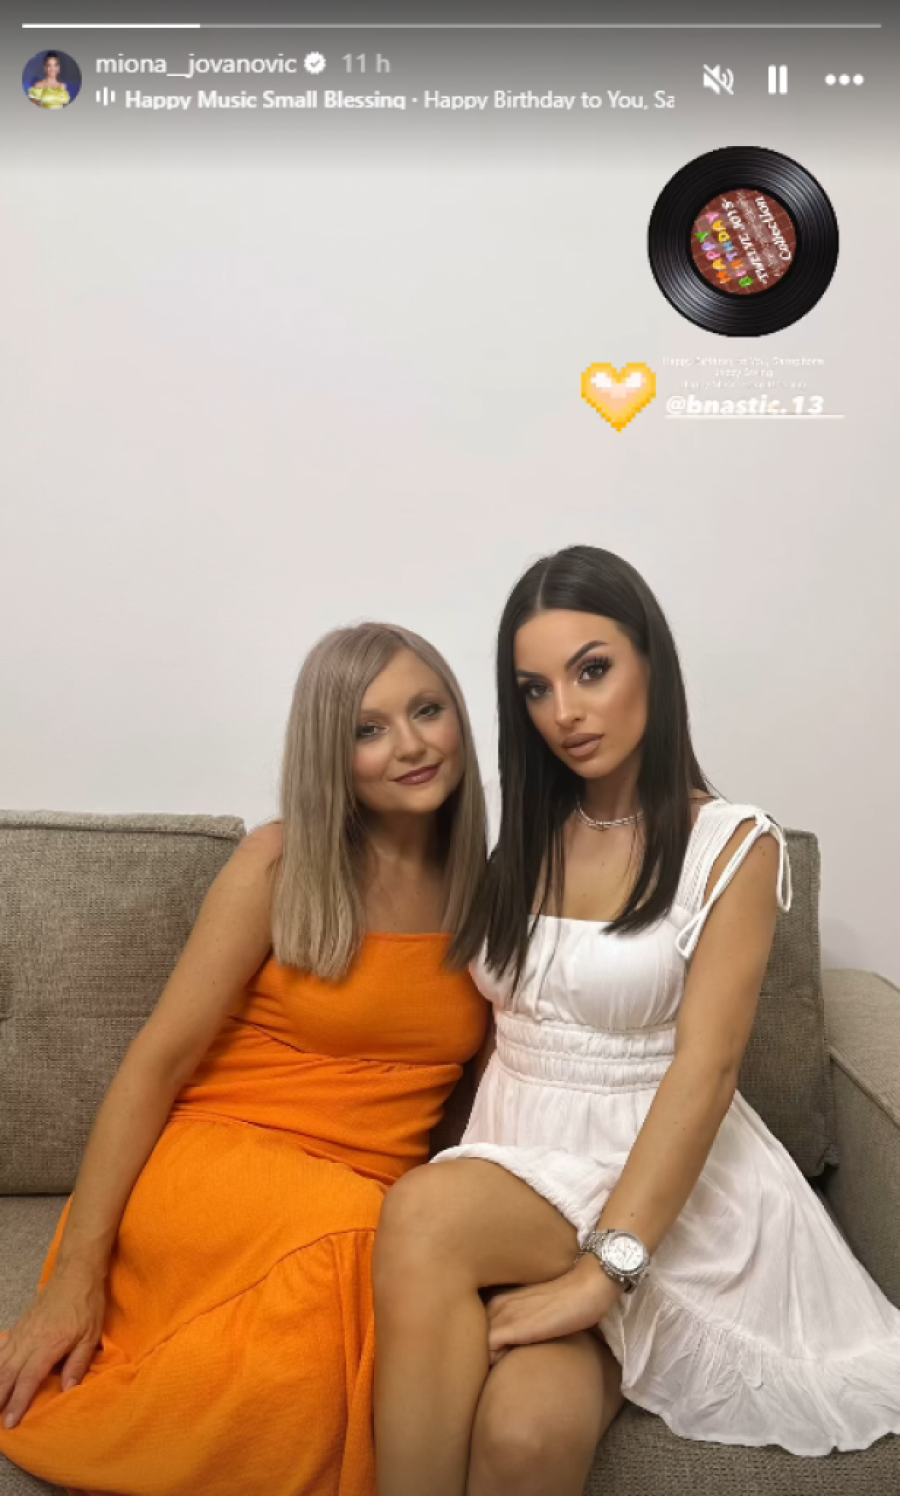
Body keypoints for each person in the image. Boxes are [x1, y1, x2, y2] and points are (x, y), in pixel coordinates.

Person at [373, 545, 900, 1496]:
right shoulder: (519, 835)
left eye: (592, 670)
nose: (565, 713)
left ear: (652, 660)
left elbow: (707, 1071)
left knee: (438, 1241)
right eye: (535, 689)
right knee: (525, 1426)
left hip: (663, 1199)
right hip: (520, 1181)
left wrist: (599, 1276)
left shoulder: (730, 843)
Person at [0, 623, 488, 1496]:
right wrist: (74, 1276)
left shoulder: (497, 893)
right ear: (331, 755)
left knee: (377, 1260)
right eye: (368, 729)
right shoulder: (280, 861)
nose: (411, 745)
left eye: (427, 710)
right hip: (220, 1165)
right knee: (369, 1243)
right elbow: (156, 1063)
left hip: (364, 1198)